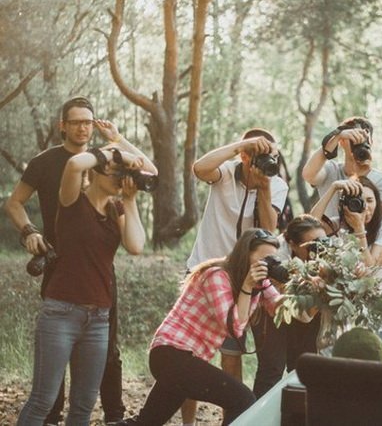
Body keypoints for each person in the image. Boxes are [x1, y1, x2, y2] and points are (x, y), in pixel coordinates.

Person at [4, 96, 156, 425]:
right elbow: (21, 199)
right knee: (44, 398)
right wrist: (29, 230)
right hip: (62, 300)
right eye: (76, 122)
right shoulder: (69, 195)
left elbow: (136, 245)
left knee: (84, 405)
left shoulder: (116, 207)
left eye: (88, 122)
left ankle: (114, 413)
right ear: (63, 125)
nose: (84, 127)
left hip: (97, 312)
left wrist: (118, 146)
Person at [117, 229, 288, 426]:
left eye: (273, 260)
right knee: (243, 399)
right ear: (245, 254)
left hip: (184, 359)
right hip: (172, 354)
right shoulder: (217, 276)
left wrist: (306, 288)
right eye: (265, 259)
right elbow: (234, 326)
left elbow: (280, 307)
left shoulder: (259, 283)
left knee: (146, 423)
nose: (269, 265)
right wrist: (247, 288)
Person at [181, 128, 288, 423]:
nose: (268, 163)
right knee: (191, 357)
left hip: (242, 279)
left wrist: (264, 187)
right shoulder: (225, 172)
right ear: (244, 156)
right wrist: (243, 144)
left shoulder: (276, 185)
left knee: (232, 355)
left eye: (272, 157)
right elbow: (199, 168)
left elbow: (269, 228)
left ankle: (231, 421)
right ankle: (187, 423)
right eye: (260, 156)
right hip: (204, 271)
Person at [310, 176, 382, 348]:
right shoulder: (339, 226)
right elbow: (308, 226)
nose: (365, 207)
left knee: (381, 370)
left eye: (370, 200)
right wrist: (333, 188)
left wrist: (359, 229)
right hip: (347, 312)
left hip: (380, 311)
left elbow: (370, 266)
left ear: (378, 202)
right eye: (359, 201)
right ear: (345, 204)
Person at [250, 214, 326, 399]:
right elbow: (283, 279)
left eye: (323, 241)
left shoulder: (327, 254)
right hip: (269, 308)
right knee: (272, 367)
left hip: (300, 308)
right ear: (291, 243)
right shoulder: (274, 252)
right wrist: (310, 281)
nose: (319, 248)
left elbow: (306, 313)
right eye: (312, 244)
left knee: (303, 365)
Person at [302, 116, 382, 218]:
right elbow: (308, 175)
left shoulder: (380, 179)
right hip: (328, 233)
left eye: (364, 140)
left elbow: (376, 219)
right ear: (342, 142)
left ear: (371, 143)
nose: (358, 142)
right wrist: (336, 137)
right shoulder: (331, 170)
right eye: (353, 138)